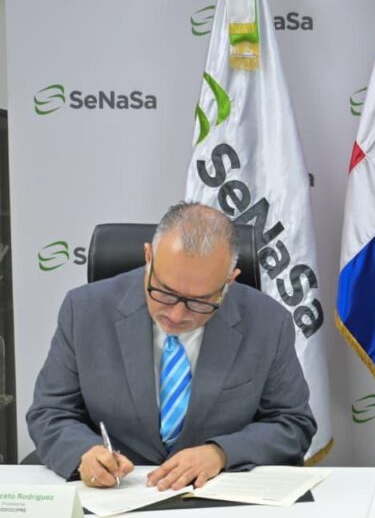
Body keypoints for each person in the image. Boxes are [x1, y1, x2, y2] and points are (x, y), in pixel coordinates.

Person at [27, 203, 316, 490]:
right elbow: (50, 412)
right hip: (118, 492)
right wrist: (85, 453)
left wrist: (221, 453)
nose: (177, 315)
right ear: (148, 257)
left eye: (200, 301)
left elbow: (293, 423)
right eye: (165, 293)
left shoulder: (268, 323)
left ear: (229, 281)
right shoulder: (84, 310)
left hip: (217, 495)